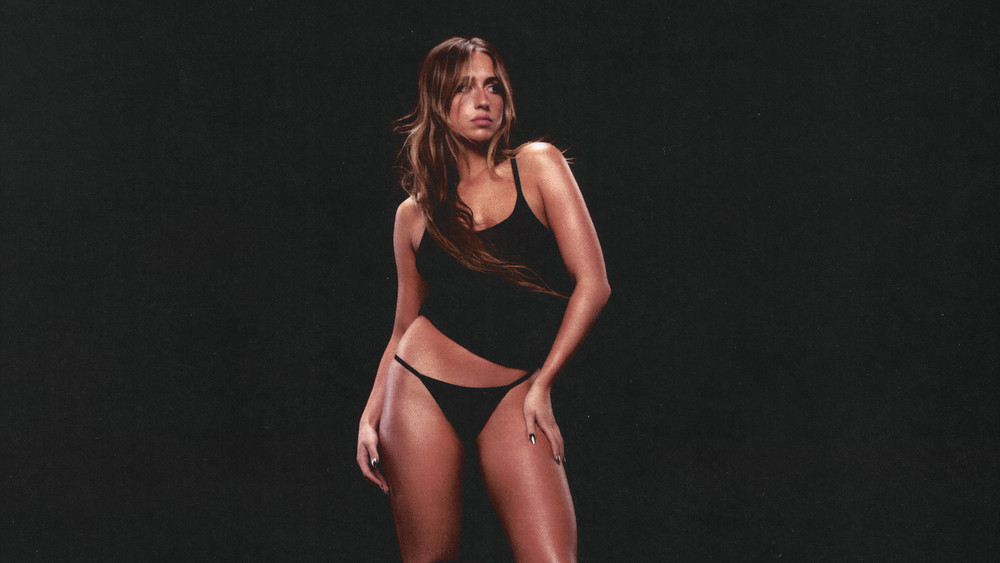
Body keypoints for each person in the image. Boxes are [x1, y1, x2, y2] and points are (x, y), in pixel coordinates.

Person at [356, 37, 610, 562]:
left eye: (493, 86)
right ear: (438, 102)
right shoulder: (415, 214)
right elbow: (403, 326)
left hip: (516, 393)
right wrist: (370, 413)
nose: (482, 100)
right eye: (463, 88)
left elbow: (594, 284)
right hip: (420, 388)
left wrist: (543, 383)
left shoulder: (537, 166)